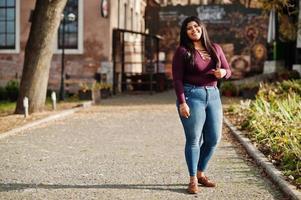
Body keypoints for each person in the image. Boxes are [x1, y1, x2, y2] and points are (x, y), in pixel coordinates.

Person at [172, 16, 231, 194]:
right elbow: (177, 79)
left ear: (202, 28)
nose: (193, 30)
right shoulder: (182, 51)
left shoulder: (215, 48)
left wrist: (223, 72)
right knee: (193, 139)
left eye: (196, 26)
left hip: (213, 95)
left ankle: (200, 173)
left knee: (213, 138)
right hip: (192, 96)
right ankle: (192, 179)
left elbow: (229, 70)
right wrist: (182, 102)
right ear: (185, 32)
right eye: (189, 28)